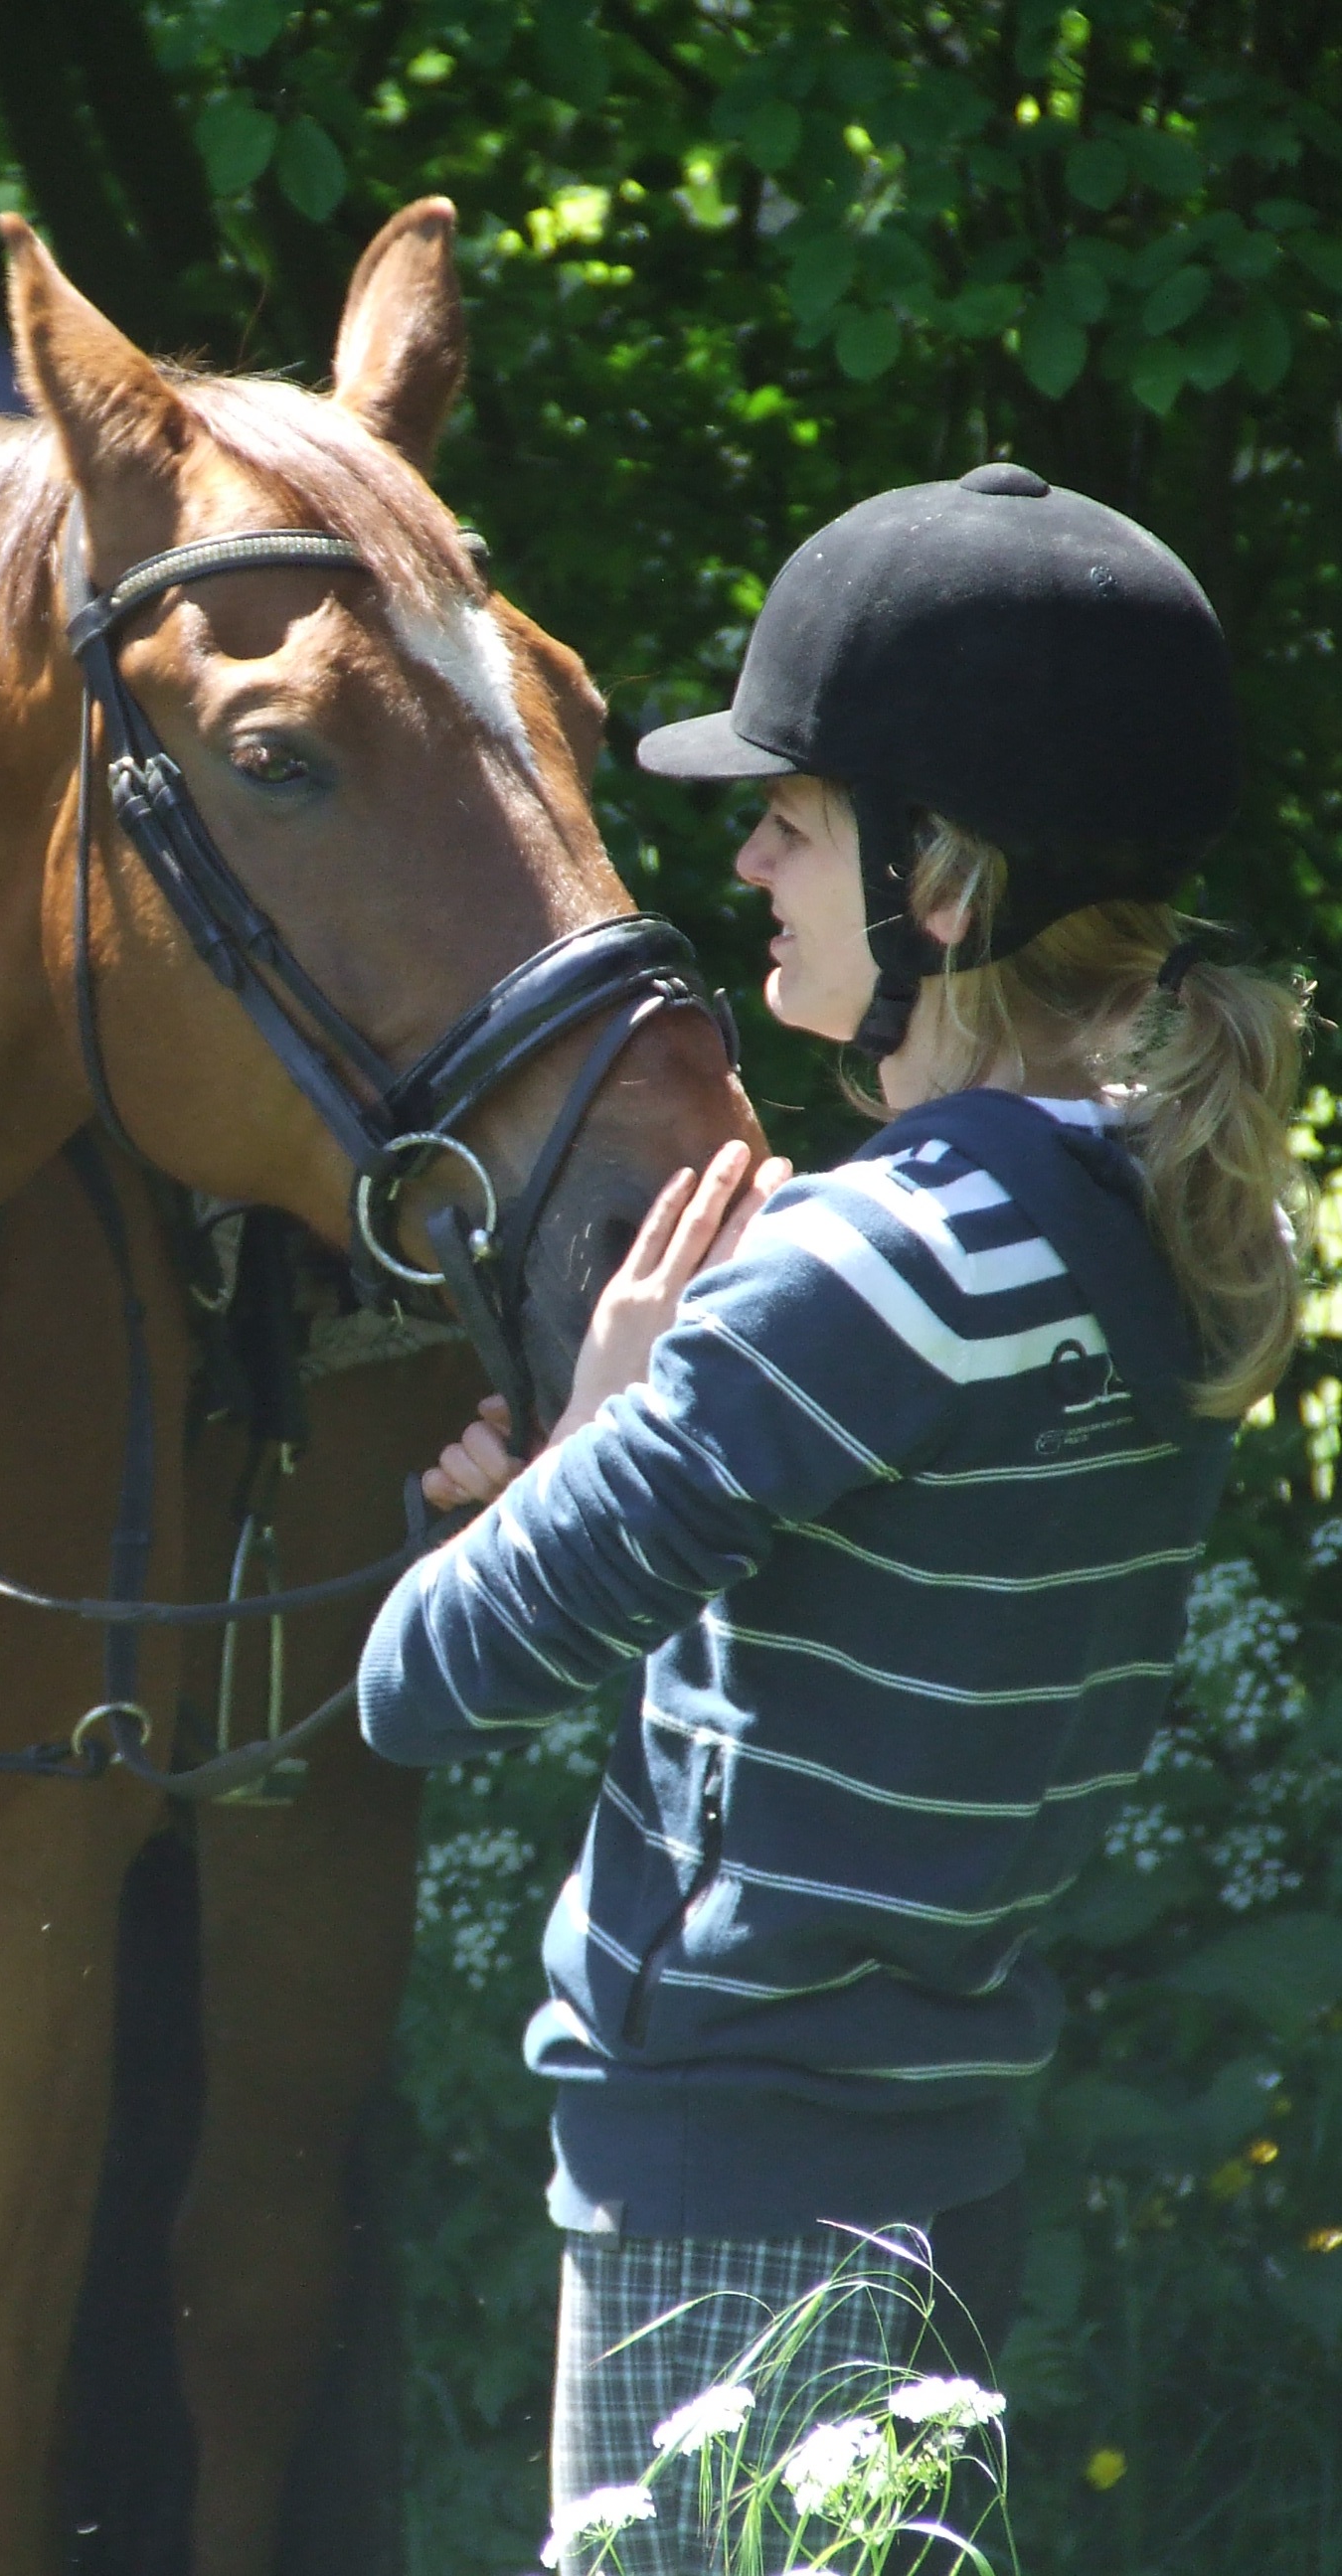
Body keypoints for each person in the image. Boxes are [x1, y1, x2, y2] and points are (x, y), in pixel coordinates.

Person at [356, 462, 1307, 2571]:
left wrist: (599, 1424)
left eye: (796, 810)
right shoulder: (1138, 1219)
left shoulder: (855, 1268)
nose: (748, 854)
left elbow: (424, 1681)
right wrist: (622, 1473)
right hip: (948, 2150)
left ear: (939, 880)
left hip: (721, 2173)